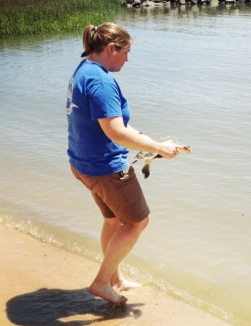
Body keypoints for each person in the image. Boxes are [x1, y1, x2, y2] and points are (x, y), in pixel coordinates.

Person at [65, 22, 182, 305]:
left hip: (83, 164)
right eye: (126, 52)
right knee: (137, 222)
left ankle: (114, 278)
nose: (128, 59)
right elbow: (115, 131)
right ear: (111, 48)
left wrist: (148, 140)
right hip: (106, 169)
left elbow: (110, 124)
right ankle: (102, 283)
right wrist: (158, 148)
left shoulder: (84, 70)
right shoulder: (101, 81)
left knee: (113, 220)